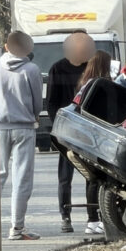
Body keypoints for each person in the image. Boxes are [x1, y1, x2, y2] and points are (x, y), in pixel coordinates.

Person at [0, 31, 43, 241]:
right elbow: (37, 101)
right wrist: (34, 115)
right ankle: (17, 227)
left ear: (6, 46)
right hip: (24, 127)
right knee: (22, 177)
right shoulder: (32, 69)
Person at [48, 32, 95, 233]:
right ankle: (65, 216)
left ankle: (93, 217)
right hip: (66, 130)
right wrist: (59, 127)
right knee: (65, 177)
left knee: (92, 177)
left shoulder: (91, 68)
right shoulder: (57, 68)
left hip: (88, 130)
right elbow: (51, 102)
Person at [71, 50, 114, 235]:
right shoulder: (101, 84)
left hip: (85, 136)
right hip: (99, 137)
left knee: (91, 179)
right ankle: (99, 218)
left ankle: (92, 220)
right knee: (101, 179)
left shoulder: (84, 84)